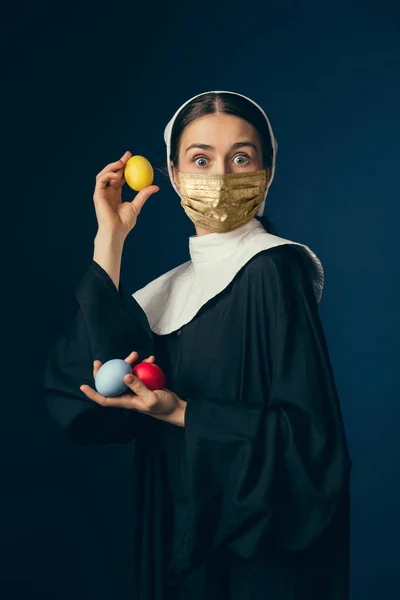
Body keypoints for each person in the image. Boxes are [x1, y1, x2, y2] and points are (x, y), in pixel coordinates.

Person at [43, 90, 352, 600]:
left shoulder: (273, 269)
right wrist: (110, 240)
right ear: (173, 172)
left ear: (268, 171)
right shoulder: (170, 289)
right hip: (176, 547)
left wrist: (183, 413)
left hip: (254, 564)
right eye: (202, 159)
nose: (223, 177)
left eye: (242, 158)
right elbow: (80, 400)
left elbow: (312, 447)